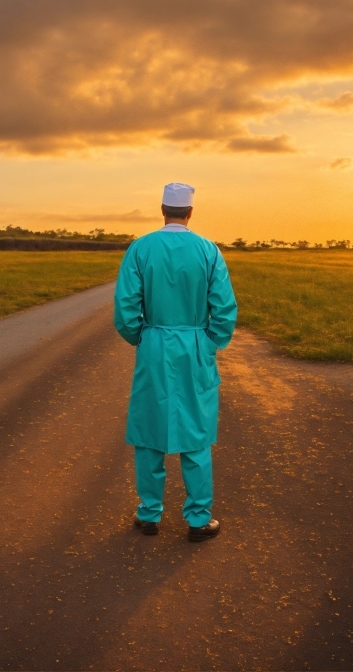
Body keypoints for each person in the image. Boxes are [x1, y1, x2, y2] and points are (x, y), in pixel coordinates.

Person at [114, 182, 237, 542]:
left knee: (149, 431)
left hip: (153, 344)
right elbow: (225, 309)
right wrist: (209, 342)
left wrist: (143, 337)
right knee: (195, 433)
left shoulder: (140, 248)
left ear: (162, 208)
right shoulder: (208, 251)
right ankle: (198, 519)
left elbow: (125, 310)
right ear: (190, 212)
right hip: (196, 344)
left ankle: (149, 513)